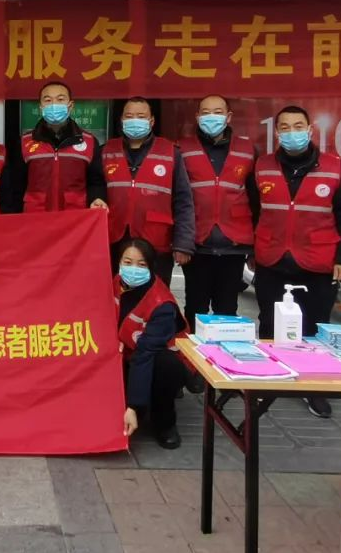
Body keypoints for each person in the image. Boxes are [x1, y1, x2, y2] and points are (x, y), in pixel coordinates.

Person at [253, 105, 341, 419]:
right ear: (277, 132)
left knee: (315, 327)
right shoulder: (262, 166)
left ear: (310, 129)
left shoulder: (336, 167)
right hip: (272, 258)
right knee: (270, 323)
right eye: (285, 127)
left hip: (318, 260)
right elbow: (252, 208)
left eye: (298, 126)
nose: (292, 133)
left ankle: (313, 386)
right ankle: (268, 380)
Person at [178, 95, 258, 393]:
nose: (211, 117)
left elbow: (257, 199)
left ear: (229, 116)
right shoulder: (182, 149)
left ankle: (225, 367)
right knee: (195, 308)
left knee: (227, 309)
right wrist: (181, 242)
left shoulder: (247, 150)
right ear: (197, 116)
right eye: (206, 112)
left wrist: (255, 247)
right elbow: (178, 198)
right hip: (197, 243)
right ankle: (193, 368)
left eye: (218, 111)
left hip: (233, 243)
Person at [102, 97, 194, 286]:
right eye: (129, 116)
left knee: (155, 296)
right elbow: (95, 189)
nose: (135, 120)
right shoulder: (106, 151)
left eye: (141, 116)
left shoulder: (170, 152)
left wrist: (183, 243)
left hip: (156, 241)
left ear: (151, 121)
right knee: (115, 295)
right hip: (114, 239)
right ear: (121, 120)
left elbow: (183, 201)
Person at [115, 238, 187, 450]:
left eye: (141, 264)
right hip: (128, 352)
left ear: (151, 267)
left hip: (157, 358)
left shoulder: (161, 304)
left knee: (165, 365)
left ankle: (165, 423)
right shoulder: (116, 284)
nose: (133, 269)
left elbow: (145, 353)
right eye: (127, 262)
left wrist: (134, 406)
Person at [16, 80, 107, 213]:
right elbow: (16, 185)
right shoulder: (25, 142)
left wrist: (97, 198)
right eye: (48, 100)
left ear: (70, 105)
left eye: (60, 99)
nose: (54, 105)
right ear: (41, 107)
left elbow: (96, 181)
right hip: (36, 216)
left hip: (75, 216)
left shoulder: (89, 142)